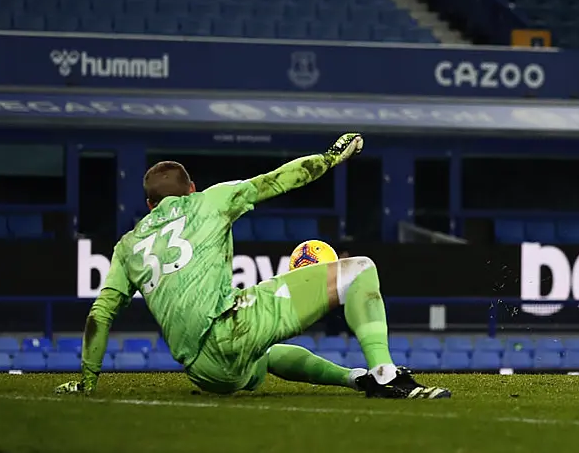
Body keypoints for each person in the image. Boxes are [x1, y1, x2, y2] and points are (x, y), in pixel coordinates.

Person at [55, 133, 450, 399]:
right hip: (231, 328)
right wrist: (329, 159)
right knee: (360, 269)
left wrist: (88, 382)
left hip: (205, 373)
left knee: (266, 355)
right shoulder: (211, 199)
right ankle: (384, 374)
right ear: (191, 190)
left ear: (148, 206)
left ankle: (354, 378)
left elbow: (99, 316)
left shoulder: (127, 246)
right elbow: (278, 180)